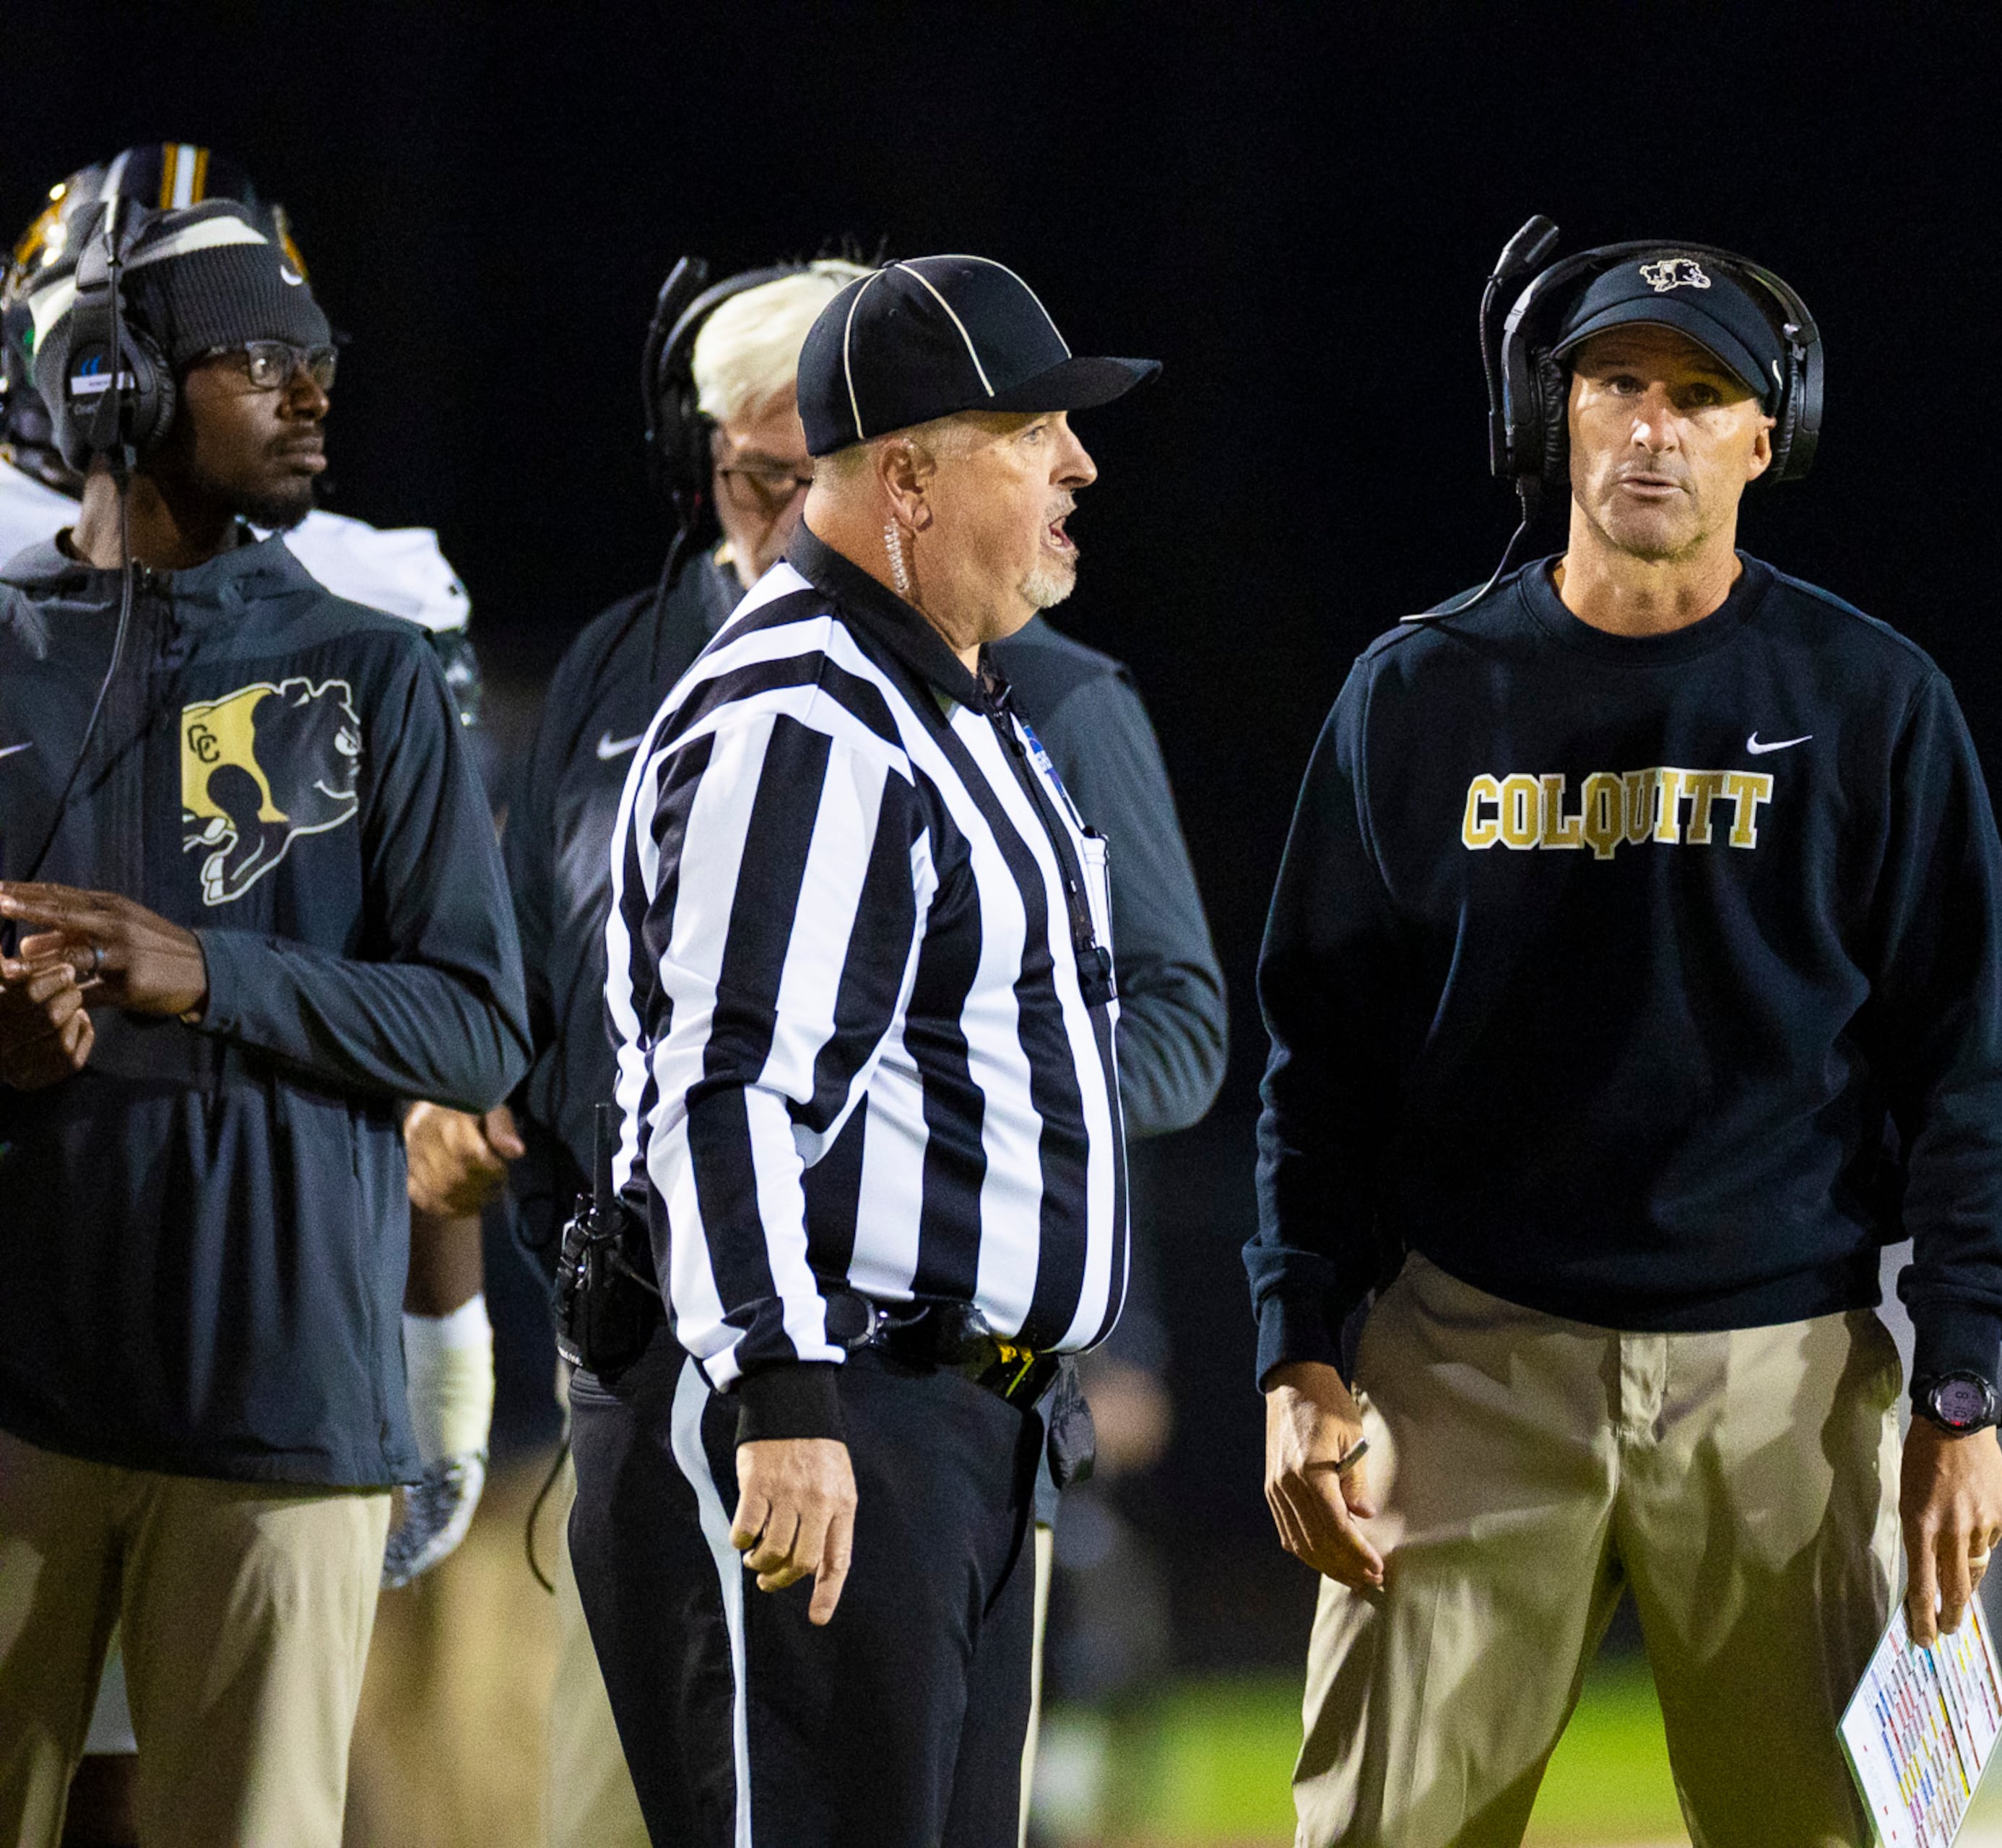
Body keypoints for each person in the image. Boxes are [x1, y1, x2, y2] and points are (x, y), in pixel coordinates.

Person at [1248, 227, 2002, 1847]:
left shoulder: (1872, 697)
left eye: (1700, 394)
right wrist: (1298, 1348)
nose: (1652, 425)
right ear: (1557, 416)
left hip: (1785, 1386)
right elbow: (1314, 1062)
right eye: (1617, 383)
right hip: (1465, 1365)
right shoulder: (1416, 693)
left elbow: (1972, 1068)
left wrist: (1960, 1391)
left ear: (1771, 436)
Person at [432, 253, 1222, 1848]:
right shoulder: (800, 709)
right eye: (1032, 433)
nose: (1079, 464)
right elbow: (726, 1088)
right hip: (833, 1410)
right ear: (910, 479)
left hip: (958, 1419)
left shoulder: (957, 702)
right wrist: (787, 1391)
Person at [0, 190, 525, 1846]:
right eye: (257, 358)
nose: (311, 396)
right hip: (16, 1412)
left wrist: (208, 969)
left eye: (320, 363)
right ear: (111, 385)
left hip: (285, 1422)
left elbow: (475, 1028)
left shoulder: (371, 671)